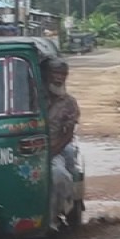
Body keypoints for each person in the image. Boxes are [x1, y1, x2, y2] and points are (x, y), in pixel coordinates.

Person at [44, 57, 81, 226]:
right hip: (30, 151)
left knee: (62, 174)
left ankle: (64, 209)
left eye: (63, 74)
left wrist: (53, 151)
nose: (59, 77)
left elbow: (69, 133)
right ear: (46, 74)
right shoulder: (31, 98)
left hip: (56, 148)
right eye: (55, 73)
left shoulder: (69, 102)